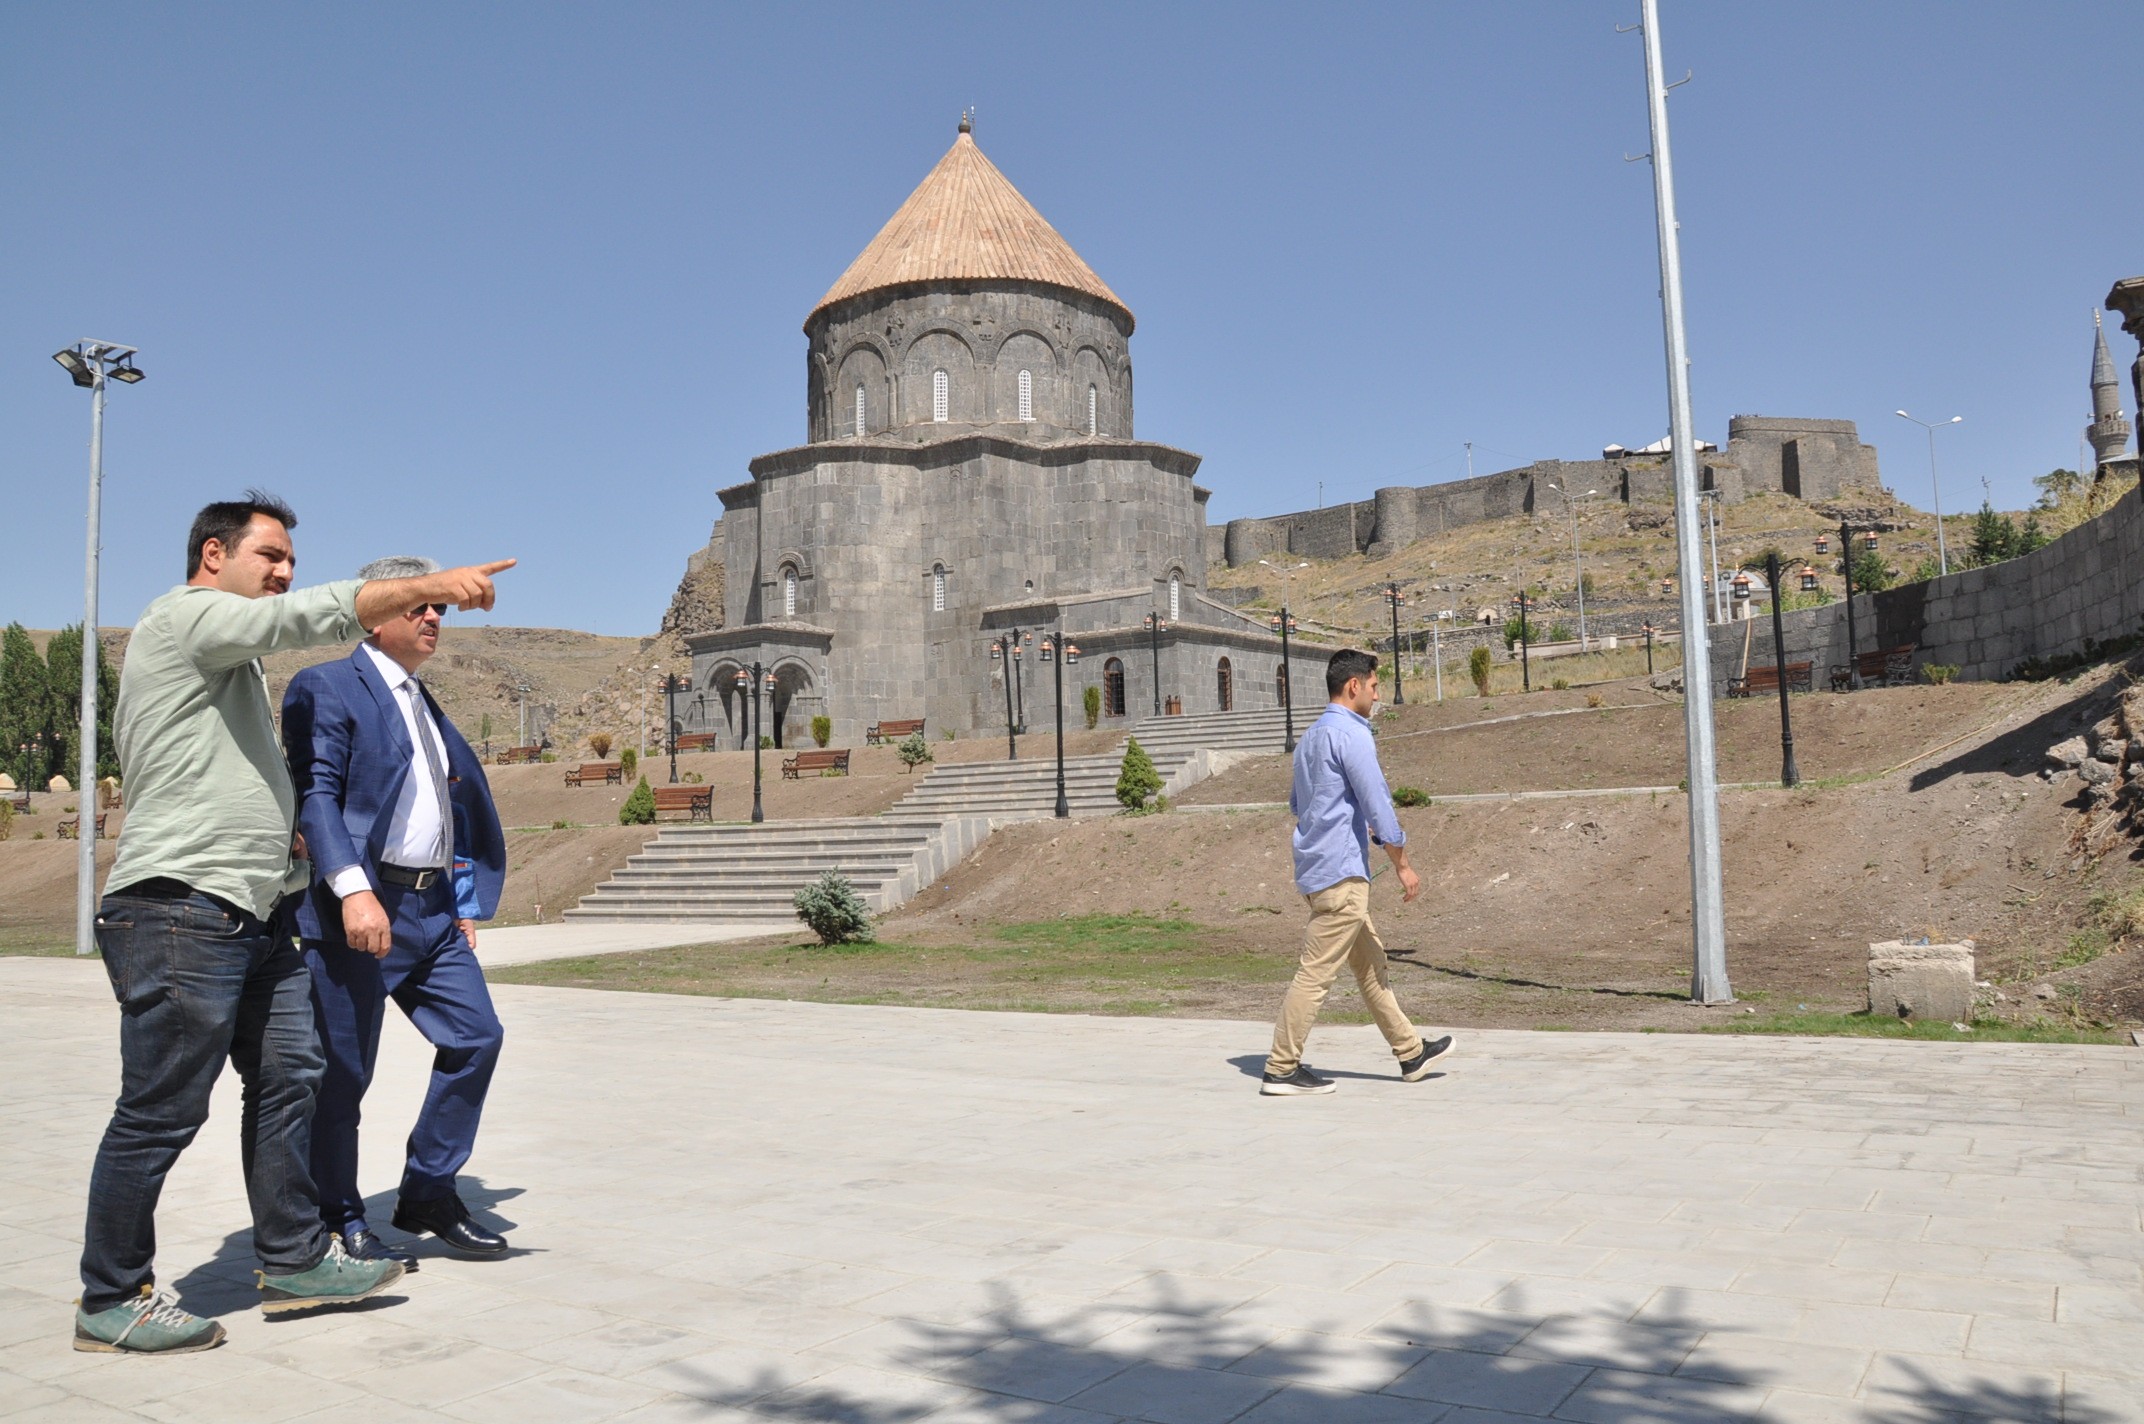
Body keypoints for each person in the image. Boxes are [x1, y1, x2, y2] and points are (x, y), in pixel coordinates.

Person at [76, 491, 513, 1354]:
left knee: (294, 1078)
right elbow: (301, 622)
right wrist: (430, 585)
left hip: (258, 911)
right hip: (179, 905)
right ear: (213, 555)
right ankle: (111, 1295)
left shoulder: (228, 668)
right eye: (269, 556)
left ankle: (294, 1258)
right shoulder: (183, 621)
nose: (283, 573)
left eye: (289, 562)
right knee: (163, 1108)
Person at [282, 556, 510, 1265]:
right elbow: (316, 796)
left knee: (477, 1037)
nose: (434, 616)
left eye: (438, 607)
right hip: (358, 911)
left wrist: (460, 898)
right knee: (343, 1077)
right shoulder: (326, 686)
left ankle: (429, 1191)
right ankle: (338, 1218)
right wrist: (353, 890)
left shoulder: (421, 699)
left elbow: (444, 808)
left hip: (433, 913)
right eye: (420, 605)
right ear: (376, 613)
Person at [1260, 648, 1453, 1096]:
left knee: (1371, 967)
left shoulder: (1310, 738)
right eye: (1374, 686)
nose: (1377, 694)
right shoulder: (1352, 734)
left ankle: (1411, 1052)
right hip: (1341, 875)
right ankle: (1281, 1068)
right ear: (1354, 686)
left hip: (1318, 871)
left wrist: (1338, 815)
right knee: (1315, 974)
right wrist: (1402, 863)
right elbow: (1377, 802)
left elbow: (1298, 803)